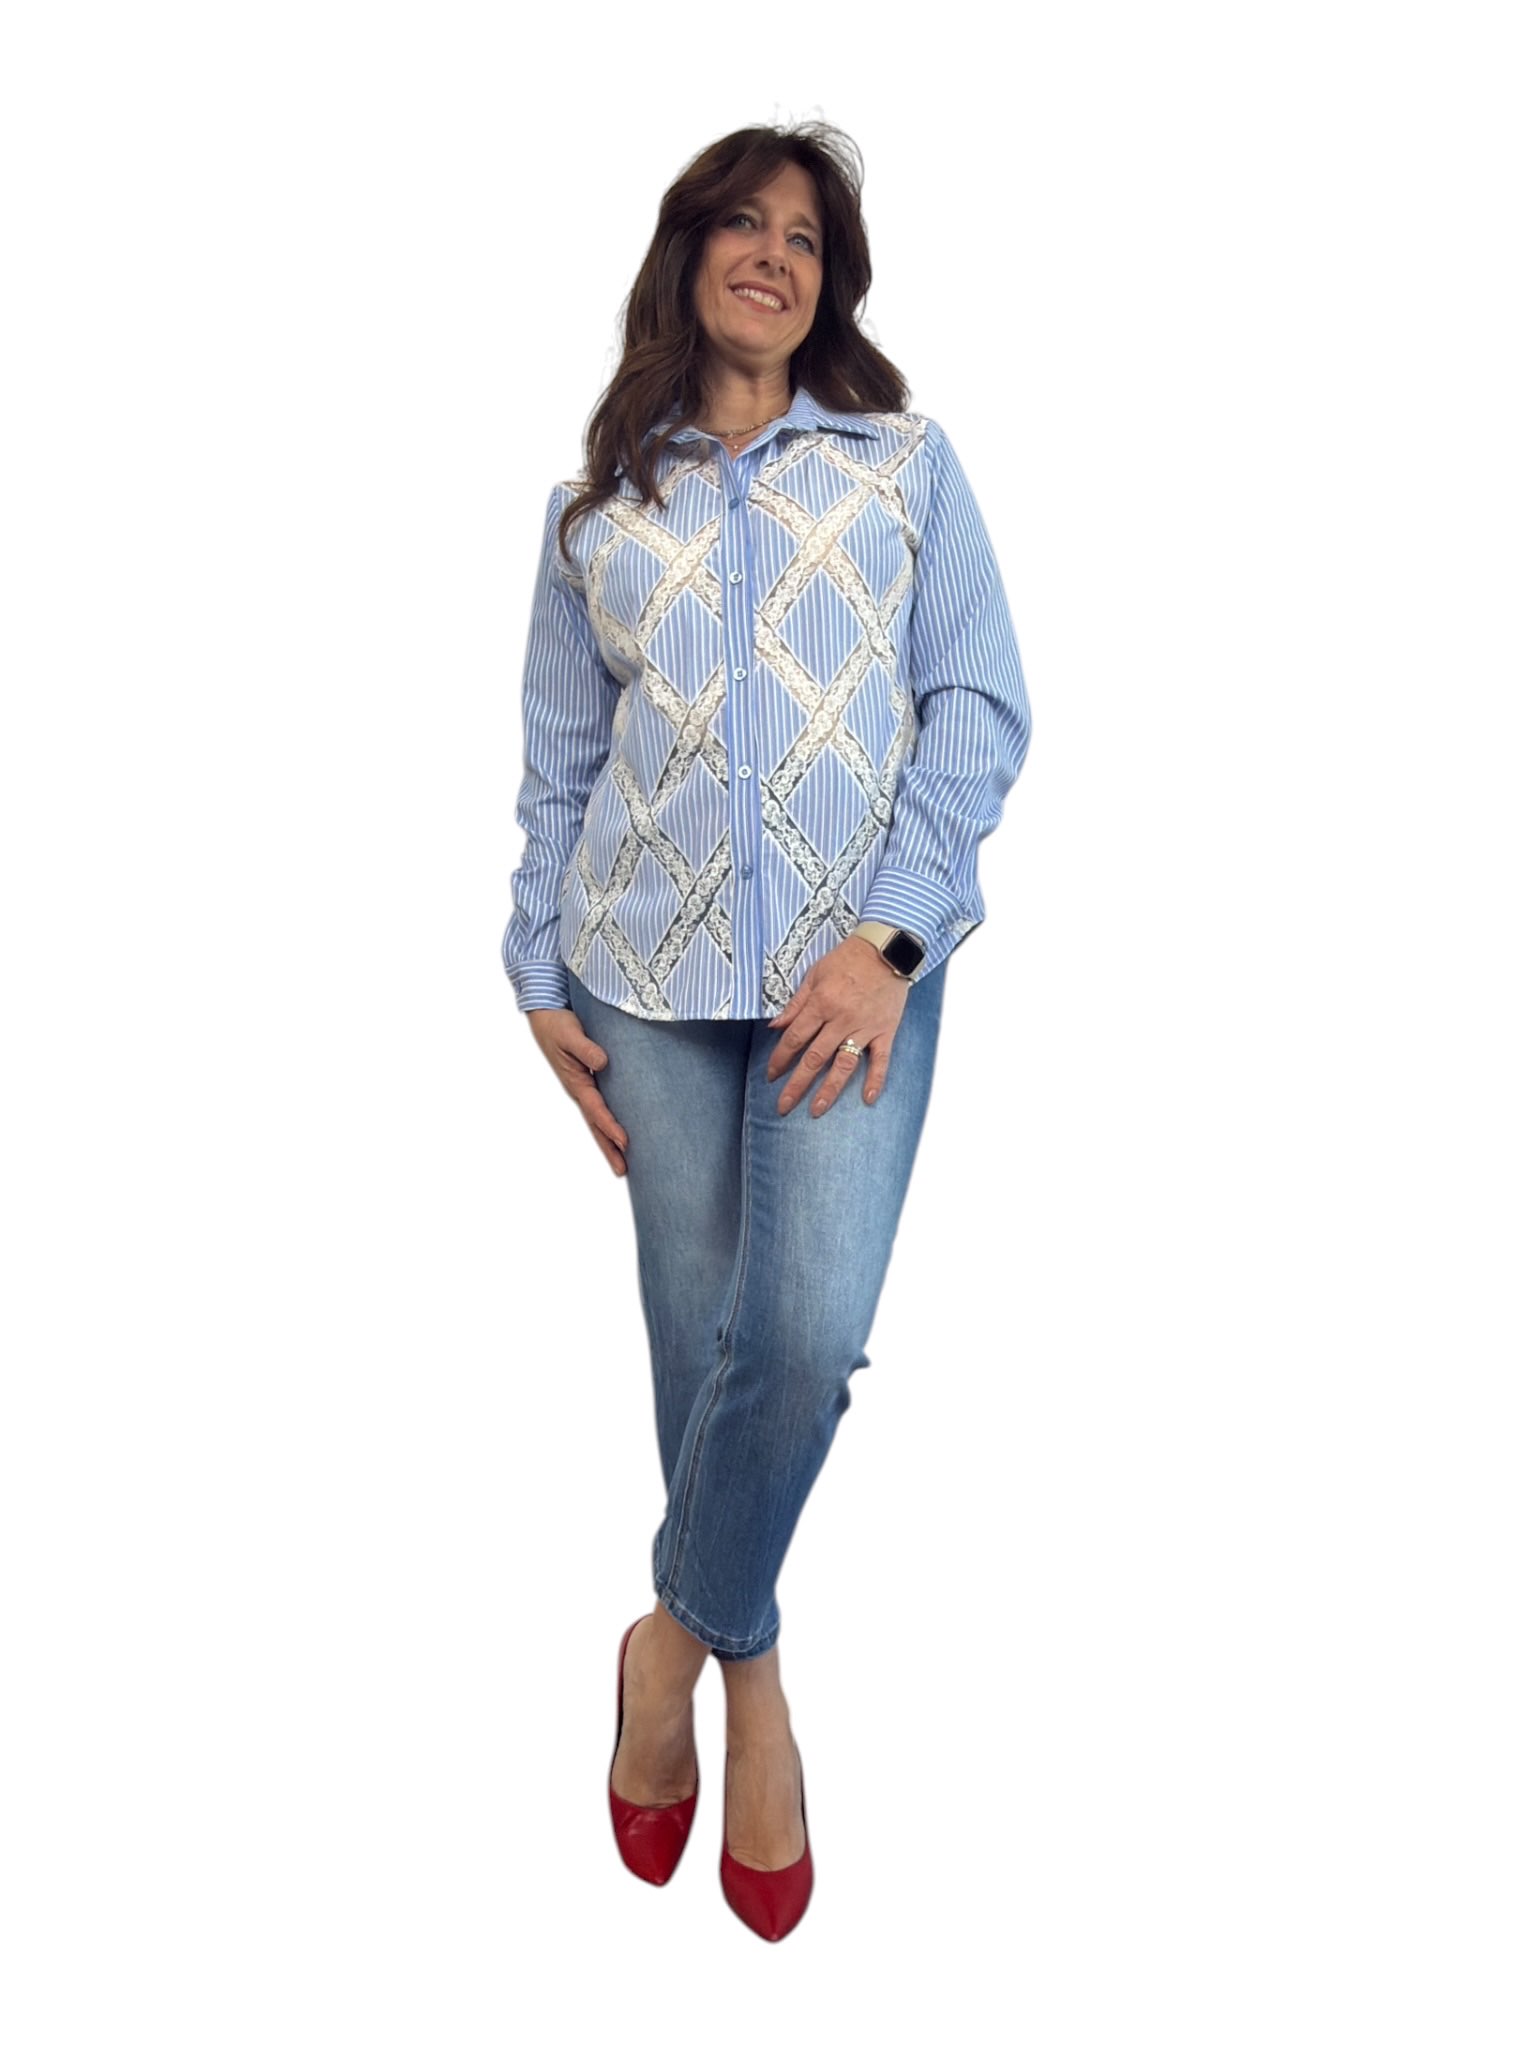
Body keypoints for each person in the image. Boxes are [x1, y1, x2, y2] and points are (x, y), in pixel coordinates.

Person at [501, 121, 1032, 1941]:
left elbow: (978, 705)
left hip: (844, 984)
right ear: (689, 254)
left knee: (797, 1339)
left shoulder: (902, 464)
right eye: (744, 223)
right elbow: (559, 762)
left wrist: (890, 941)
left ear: (831, 284)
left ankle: (670, 1646)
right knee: (701, 1353)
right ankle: (761, 1688)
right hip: (640, 979)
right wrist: (535, 973)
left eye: (805, 237)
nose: (774, 255)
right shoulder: (597, 509)